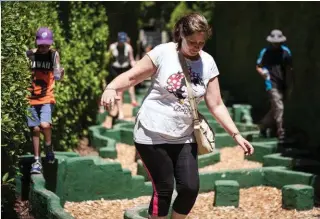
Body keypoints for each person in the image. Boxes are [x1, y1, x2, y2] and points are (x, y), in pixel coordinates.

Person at [101, 13, 254, 219]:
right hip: (151, 133)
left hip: (184, 135)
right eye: (192, 42)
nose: (196, 46)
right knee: (164, 189)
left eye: (201, 42)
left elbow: (216, 104)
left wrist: (237, 135)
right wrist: (111, 88)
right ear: (181, 34)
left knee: (190, 188)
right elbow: (132, 75)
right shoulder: (163, 53)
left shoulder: (208, 62)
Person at [26, 27, 64, 174]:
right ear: (36, 42)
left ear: (51, 44)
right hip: (30, 97)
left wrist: (61, 73)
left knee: (45, 124)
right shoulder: (29, 55)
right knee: (35, 129)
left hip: (47, 96)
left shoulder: (54, 55)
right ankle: (37, 161)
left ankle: (48, 146)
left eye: (46, 45)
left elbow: (57, 74)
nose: (43, 48)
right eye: (41, 45)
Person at [256, 29, 293, 141]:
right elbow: (258, 66)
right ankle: (281, 132)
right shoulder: (265, 52)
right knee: (279, 107)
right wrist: (263, 73)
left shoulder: (286, 52)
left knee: (275, 109)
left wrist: (290, 84)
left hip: (283, 83)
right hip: (271, 83)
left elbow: (290, 68)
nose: (276, 44)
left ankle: (263, 125)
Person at [107, 32, 138, 120]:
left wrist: (135, 68)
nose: (122, 43)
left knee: (130, 85)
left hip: (125, 69)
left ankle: (133, 99)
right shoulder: (112, 47)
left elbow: (131, 60)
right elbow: (108, 59)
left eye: (123, 41)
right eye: (120, 41)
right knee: (119, 92)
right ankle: (121, 112)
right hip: (115, 69)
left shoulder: (128, 48)